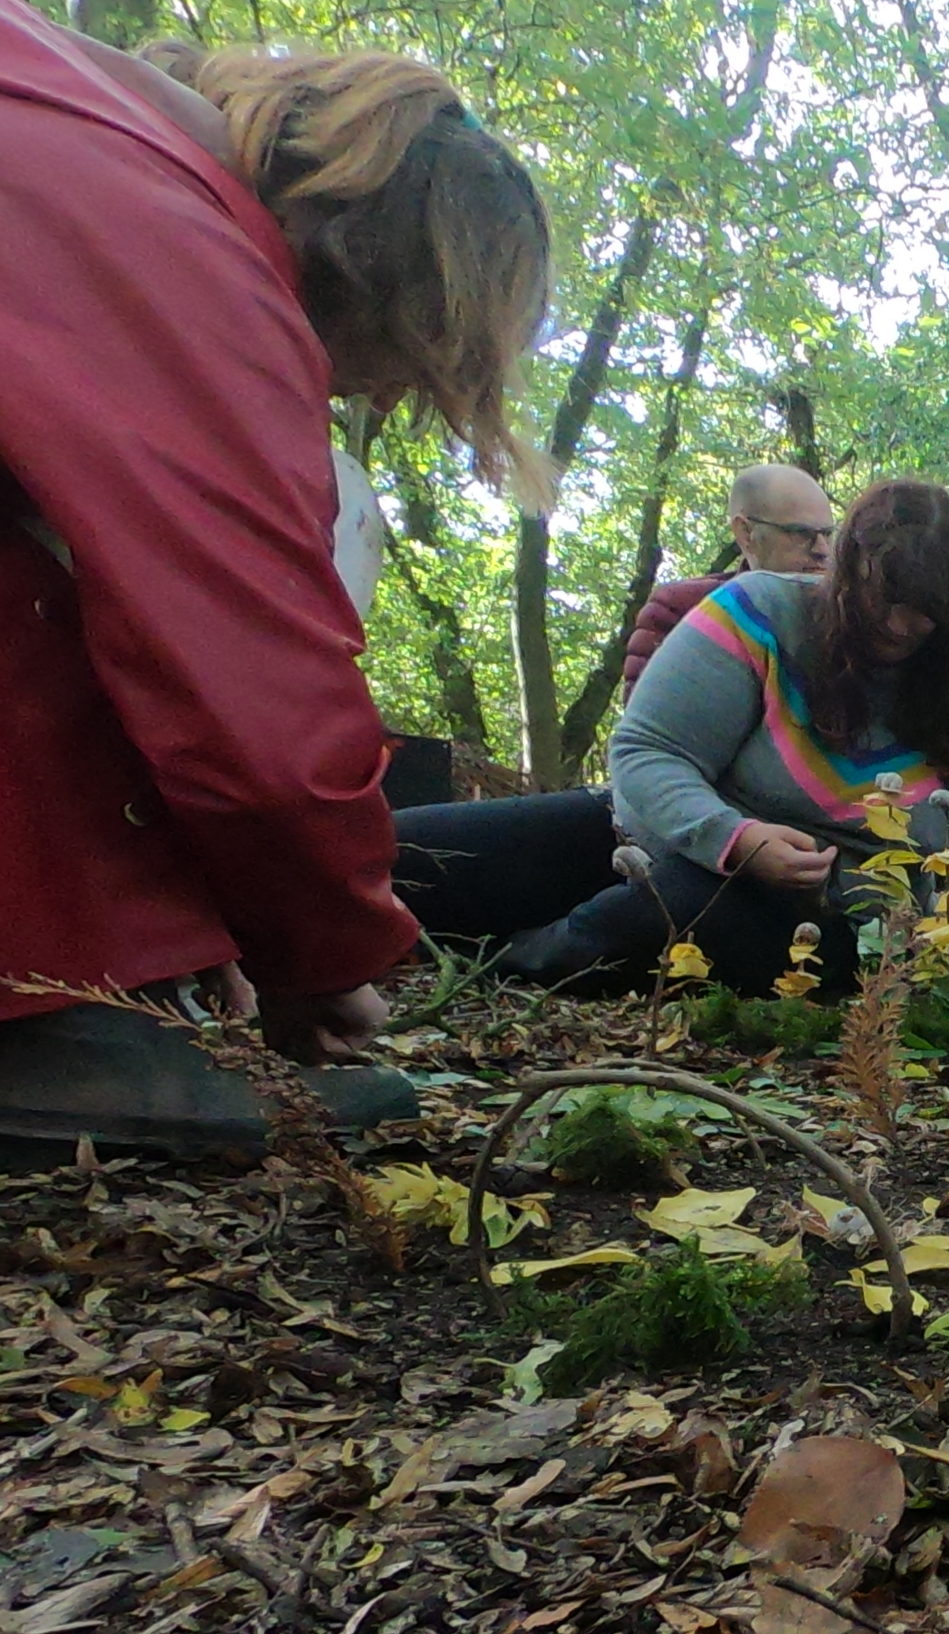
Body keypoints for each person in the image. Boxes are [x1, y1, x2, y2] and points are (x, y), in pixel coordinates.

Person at [0, 9, 550, 1152]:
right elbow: (246, 688)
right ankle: (32, 1021)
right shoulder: (189, 262)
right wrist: (323, 955)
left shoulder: (71, 104)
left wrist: (180, 933)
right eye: (390, 374)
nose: (366, 402)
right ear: (376, 284)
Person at [393, 480, 949, 1012]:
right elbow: (647, 752)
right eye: (886, 600)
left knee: (640, 922)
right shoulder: (759, 612)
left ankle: (502, 965)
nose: (901, 626)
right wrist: (736, 837)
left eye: (924, 609)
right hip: (662, 833)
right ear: (845, 576)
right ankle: (394, 934)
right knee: (398, 852)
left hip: (827, 920)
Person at [620, 464, 837, 697]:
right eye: (801, 533)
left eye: (827, 534)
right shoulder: (680, 609)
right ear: (746, 532)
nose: (822, 550)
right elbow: (649, 722)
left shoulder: (847, 611)